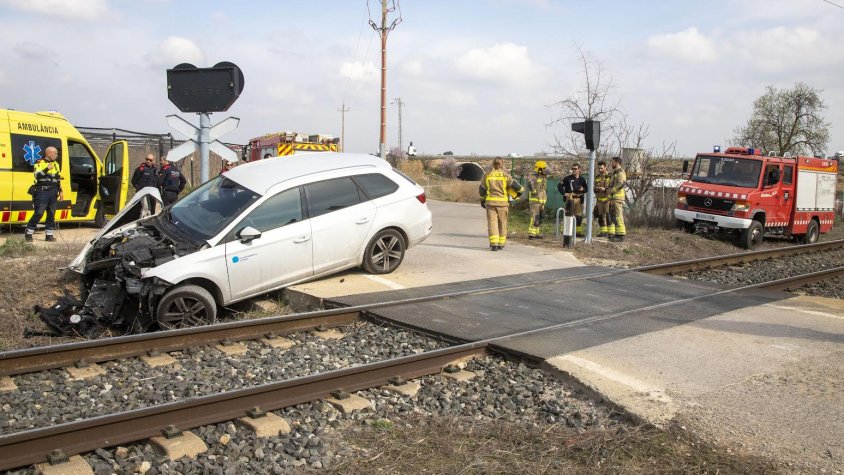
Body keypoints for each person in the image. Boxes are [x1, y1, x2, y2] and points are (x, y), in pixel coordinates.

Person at [479, 158, 523, 251]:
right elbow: (518, 188)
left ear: (492, 164)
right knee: (502, 223)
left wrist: (482, 200)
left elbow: (482, 190)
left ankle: (494, 244)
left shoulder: (487, 175)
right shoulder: (506, 175)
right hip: (503, 204)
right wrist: (516, 195)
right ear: (502, 164)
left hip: (490, 203)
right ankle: (501, 244)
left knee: (492, 223)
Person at [25, 146, 62, 242]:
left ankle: (49, 235)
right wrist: (46, 169)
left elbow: (57, 178)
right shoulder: (39, 163)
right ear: (49, 153)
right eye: (55, 153)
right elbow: (37, 176)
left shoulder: (56, 164)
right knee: (39, 213)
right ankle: (28, 233)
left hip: (53, 192)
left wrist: (60, 190)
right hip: (42, 191)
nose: (56, 155)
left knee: (51, 214)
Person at [558, 163, 588, 236]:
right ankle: (565, 231)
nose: (573, 170)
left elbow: (586, 189)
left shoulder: (582, 179)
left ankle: (578, 233)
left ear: (579, 169)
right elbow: (559, 185)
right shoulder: (568, 178)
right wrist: (564, 193)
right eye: (572, 169)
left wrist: (582, 189)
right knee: (568, 215)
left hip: (579, 199)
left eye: (575, 169)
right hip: (570, 199)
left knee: (579, 216)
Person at [608, 156, 628, 242]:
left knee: (618, 216)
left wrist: (612, 191)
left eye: (612, 162)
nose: (611, 164)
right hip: (613, 198)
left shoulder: (620, 172)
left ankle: (621, 235)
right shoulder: (614, 172)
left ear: (617, 162)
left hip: (618, 198)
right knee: (614, 216)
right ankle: (617, 234)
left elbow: (621, 184)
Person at [526, 160, 548, 239]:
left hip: (541, 202)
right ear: (539, 169)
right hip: (535, 201)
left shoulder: (542, 177)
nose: (545, 170)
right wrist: (534, 191)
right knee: (534, 217)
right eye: (544, 168)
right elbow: (529, 183)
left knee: (539, 217)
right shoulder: (534, 176)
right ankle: (531, 234)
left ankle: (536, 233)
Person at [593, 161, 612, 237]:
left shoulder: (609, 176)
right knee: (600, 216)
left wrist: (605, 189)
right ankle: (603, 232)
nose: (600, 170)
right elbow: (594, 189)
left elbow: (612, 187)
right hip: (599, 200)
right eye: (599, 168)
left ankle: (610, 232)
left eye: (601, 168)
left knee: (608, 215)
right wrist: (597, 189)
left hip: (607, 199)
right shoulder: (597, 177)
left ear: (605, 167)